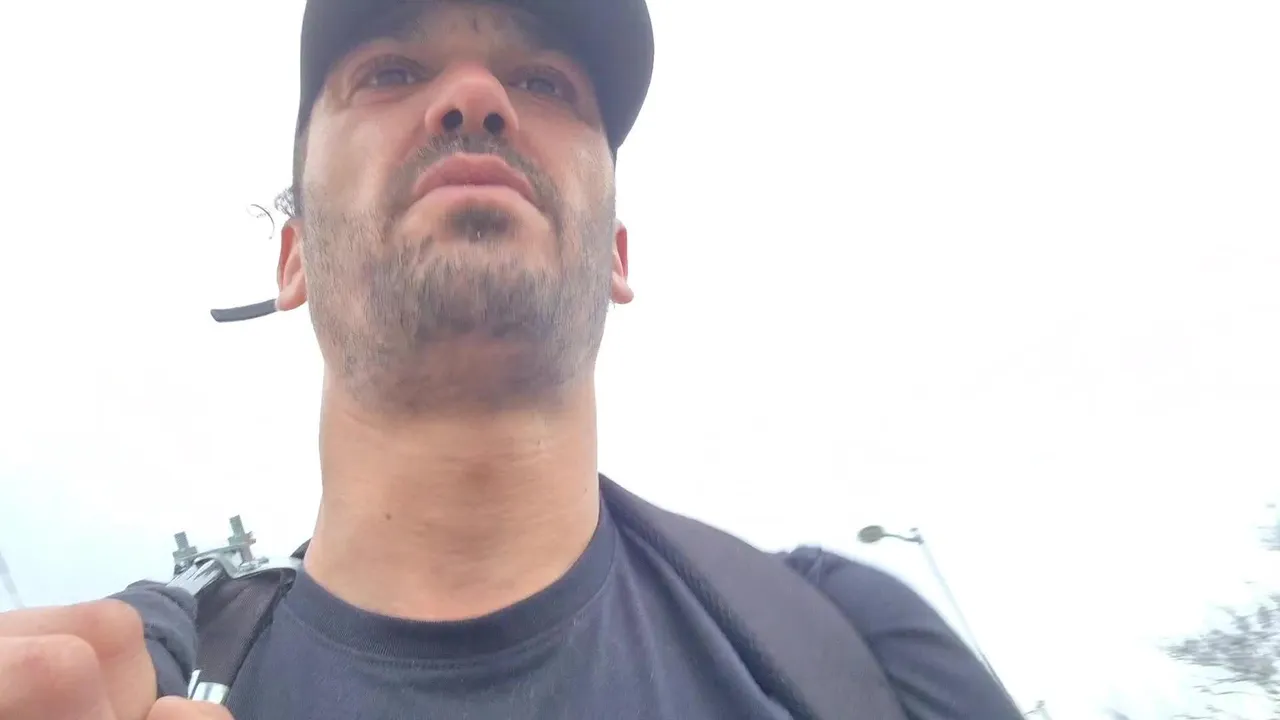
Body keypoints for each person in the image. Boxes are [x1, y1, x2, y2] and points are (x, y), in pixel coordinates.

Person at [0, 0, 1025, 718]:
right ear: (292, 257)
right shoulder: (128, 672)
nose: (476, 99)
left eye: (544, 83)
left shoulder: (849, 642)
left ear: (616, 256)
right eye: (391, 71)